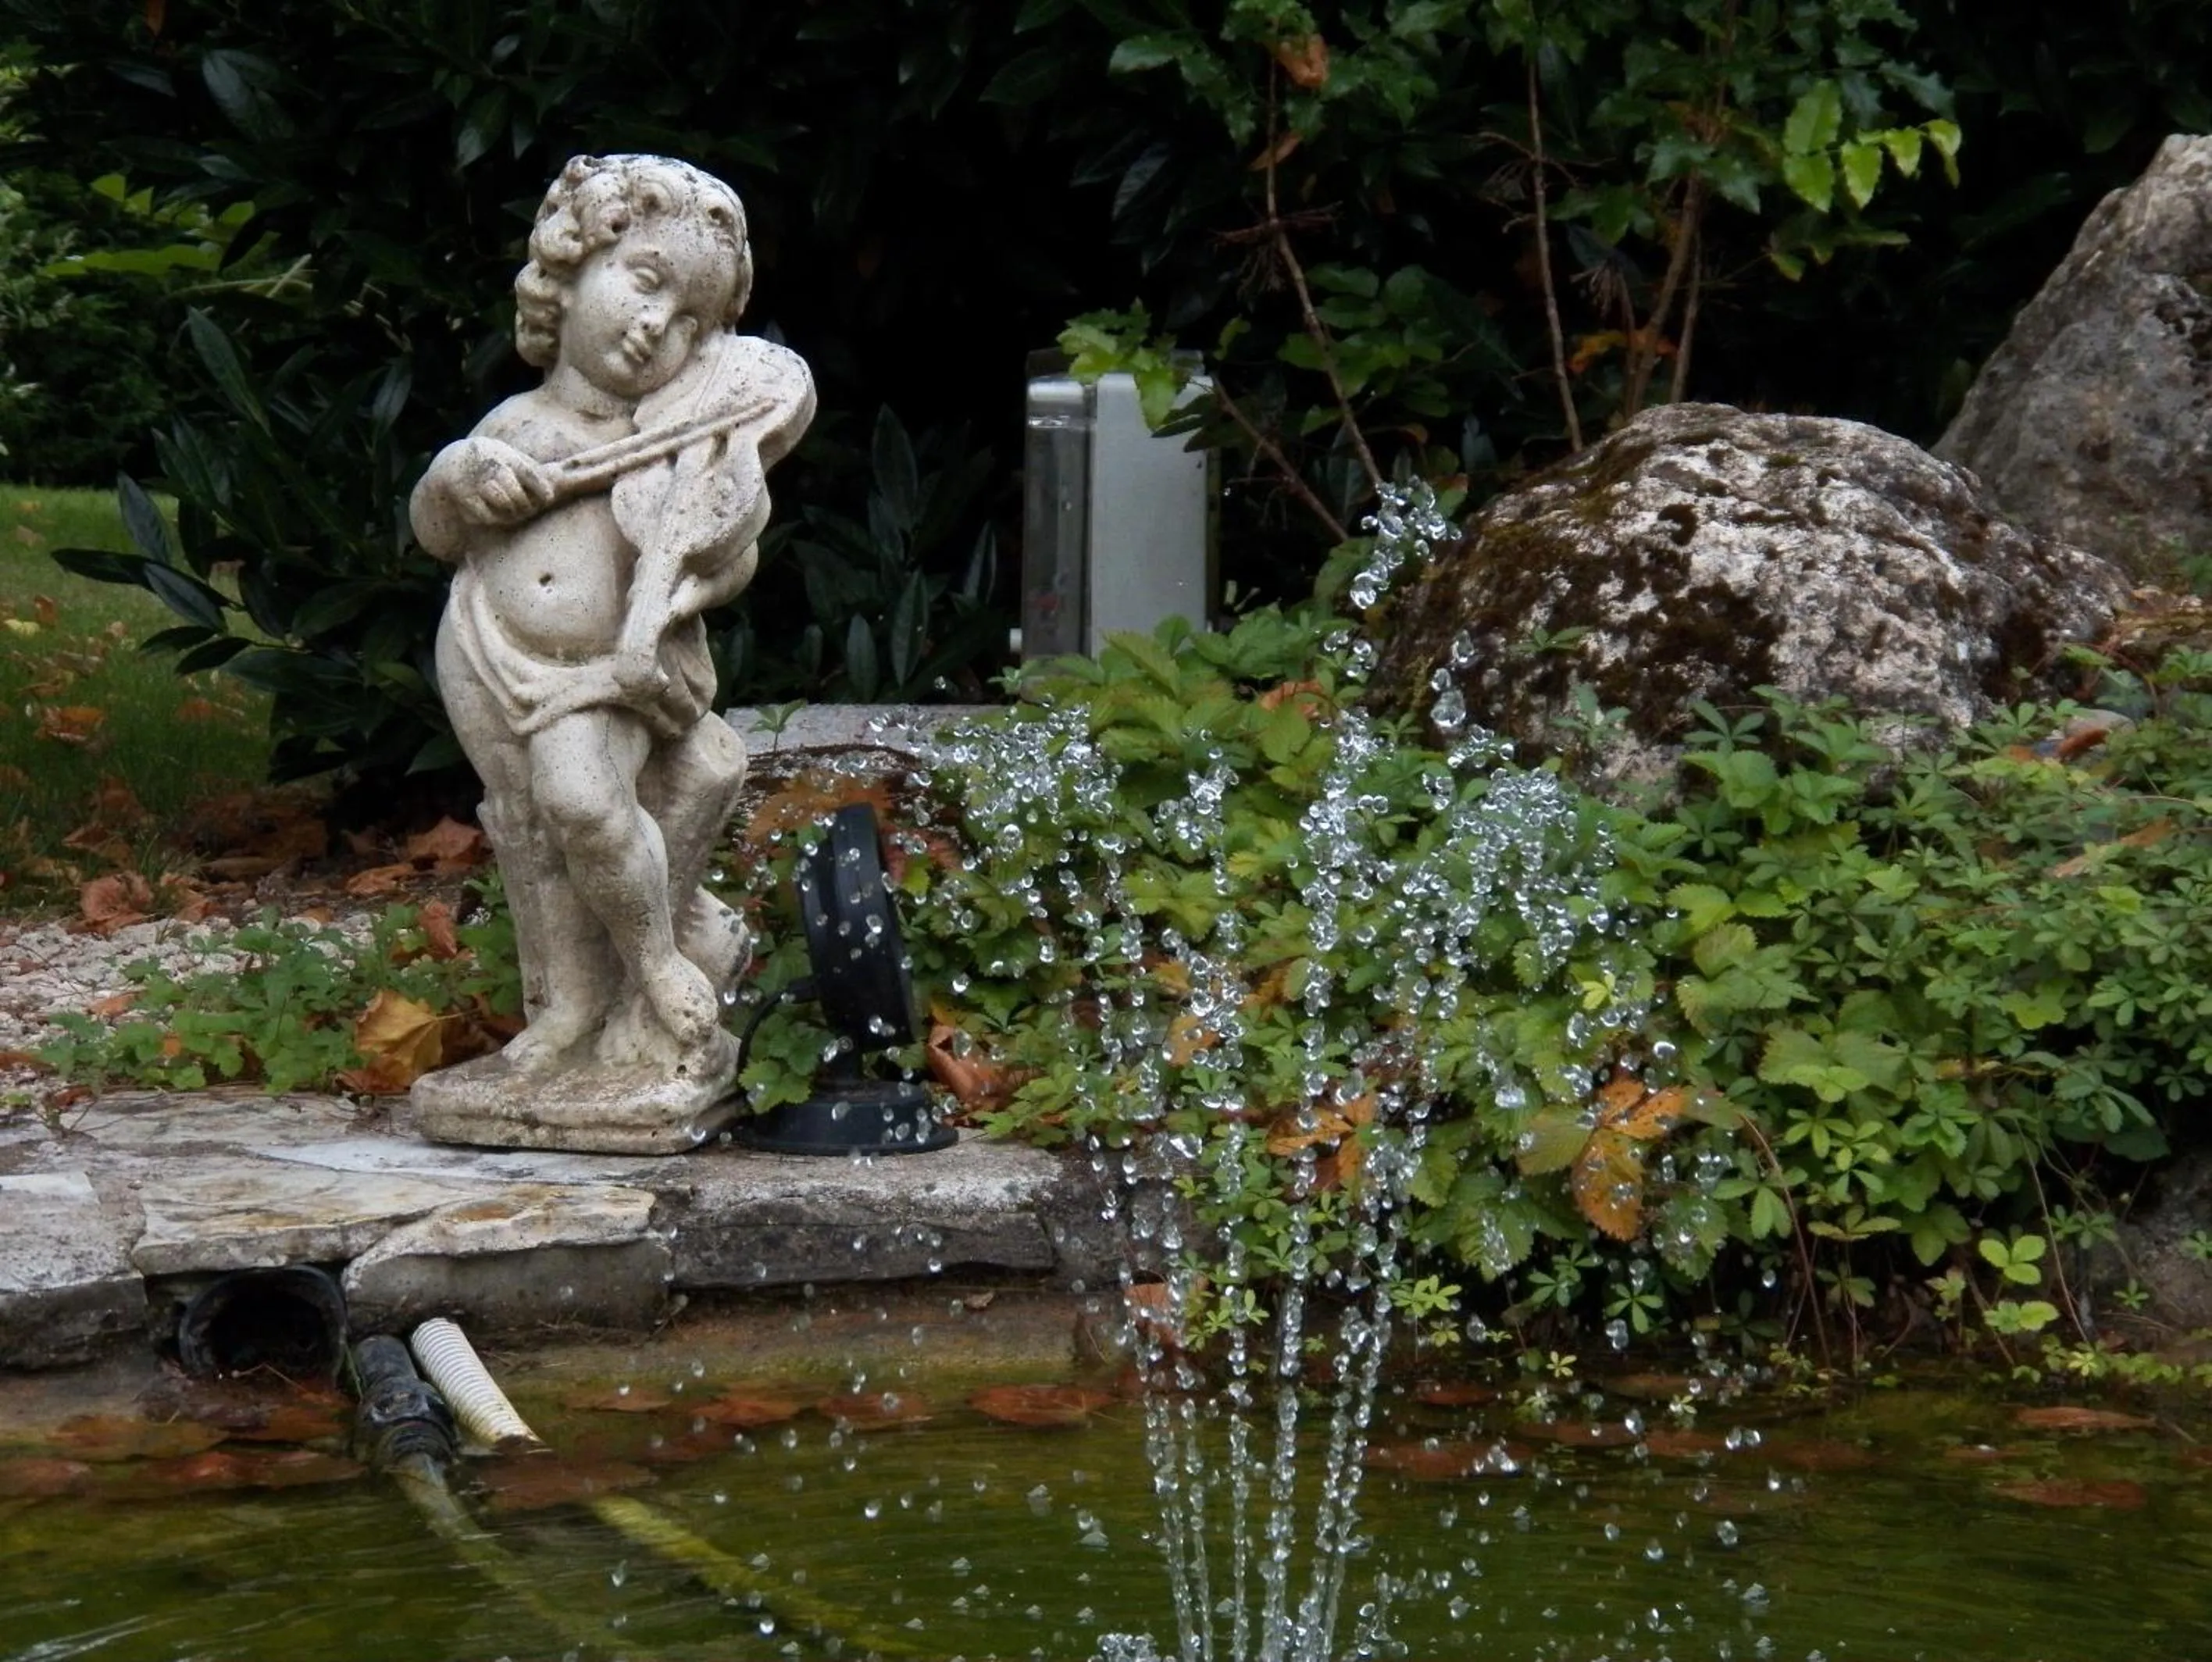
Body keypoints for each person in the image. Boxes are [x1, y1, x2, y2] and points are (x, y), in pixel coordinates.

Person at [412, 154, 812, 1079]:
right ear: (570, 261)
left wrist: (683, 587)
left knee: (586, 805)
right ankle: (568, 1007)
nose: (651, 329)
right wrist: (453, 476)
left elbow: (730, 544)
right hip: (483, 647)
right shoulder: (509, 426)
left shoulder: (679, 444)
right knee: (530, 831)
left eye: (688, 323)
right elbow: (438, 533)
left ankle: (657, 959)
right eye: (645, 282)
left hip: (604, 671)